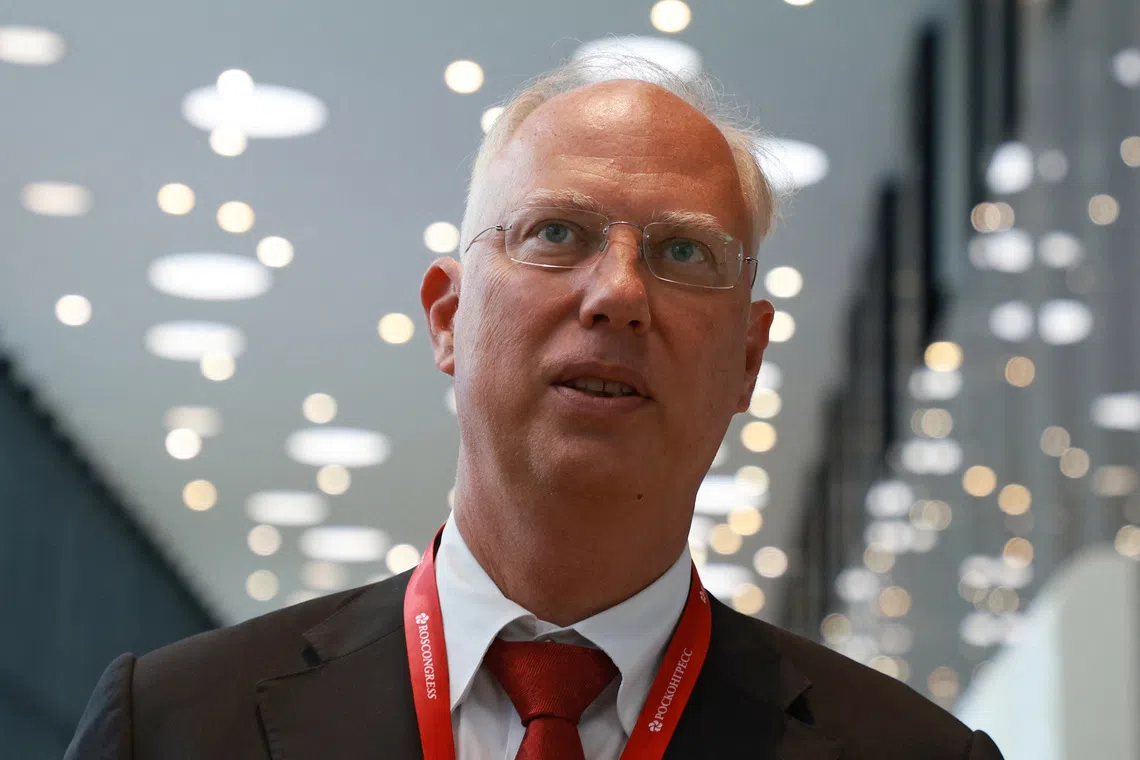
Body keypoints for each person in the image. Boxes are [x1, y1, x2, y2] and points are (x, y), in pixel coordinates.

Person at [65, 57, 1004, 760]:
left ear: (747, 359)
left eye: (684, 255)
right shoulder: (175, 727)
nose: (620, 294)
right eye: (558, 233)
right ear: (448, 316)